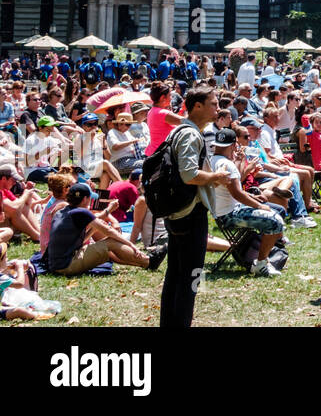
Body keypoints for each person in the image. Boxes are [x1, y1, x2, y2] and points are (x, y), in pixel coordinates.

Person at [161, 86, 234, 329]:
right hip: (190, 212)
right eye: (213, 104)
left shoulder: (179, 131)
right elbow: (189, 174)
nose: (218, 108)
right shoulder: (191, 134)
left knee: (175, 273)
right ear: (197, 106)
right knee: (191, 275)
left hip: (177, 210)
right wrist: (216, 177)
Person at [208, 127, 287, 277]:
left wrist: (253, 197)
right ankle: (261, 263)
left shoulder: (212, 161)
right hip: (229, 215)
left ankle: (265, 254)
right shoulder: (227, 164)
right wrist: (259, 205)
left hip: (221, 213)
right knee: (275, 220)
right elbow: (237, 194)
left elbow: (233, 191)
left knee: (275, 211)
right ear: (234, 145)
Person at [46, 183, 161, 276]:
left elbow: (78, 241)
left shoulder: (62, 211)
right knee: (110, 242)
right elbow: (109, 232)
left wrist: (93, 229)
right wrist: (132, 245)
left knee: (106, 246)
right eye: (90, 198)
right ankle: (149, 261)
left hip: (57, 265)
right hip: (67, 266)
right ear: (85, 199)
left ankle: (145, 262)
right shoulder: (81, 212)